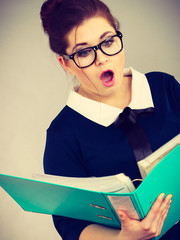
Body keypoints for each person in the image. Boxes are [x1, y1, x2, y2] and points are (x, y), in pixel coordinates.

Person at [40, 0, 180, 239]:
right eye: (83, 52)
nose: (102, 58)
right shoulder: (62, 134)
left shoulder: (163, 86)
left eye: (108, 41)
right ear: (66, 63)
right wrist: (122, 238)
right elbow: (70, 224)